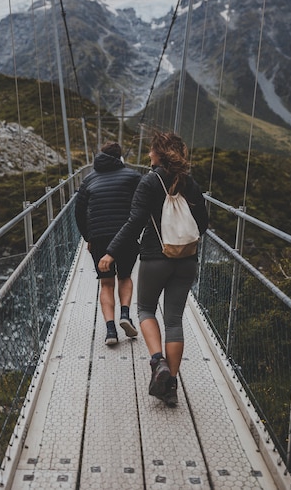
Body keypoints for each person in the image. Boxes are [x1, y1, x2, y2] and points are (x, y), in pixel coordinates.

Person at [98, 131, 208, 406]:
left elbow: (134, 222)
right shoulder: (190, 182)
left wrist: (110, 252)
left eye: (151, 151)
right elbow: (203, 224)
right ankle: (170, 386)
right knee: (174, 320)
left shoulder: (149, 181)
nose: (148, 155)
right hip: (187, 259)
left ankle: (157, 361)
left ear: (159, 153)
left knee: (146, 309)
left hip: (154, 256)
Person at [74, 141, 141, 345]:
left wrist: (88, 238)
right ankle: (125, 314)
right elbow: (142, 206)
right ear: (120, 157)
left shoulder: (89, 179)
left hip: (100, 237)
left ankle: (110, 331)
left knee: (106, 282)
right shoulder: (133, 176)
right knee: (125, 276)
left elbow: (78, 212)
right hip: (126, 236)